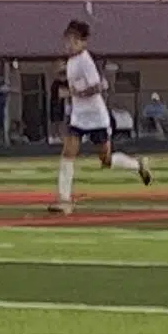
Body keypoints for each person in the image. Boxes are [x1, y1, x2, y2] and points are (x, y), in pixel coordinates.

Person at [51, 19, 151, 214]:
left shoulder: (86, 61)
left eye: (73, 40)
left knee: (105, 160)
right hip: (79, 117)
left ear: (82, 42)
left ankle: (137, 165)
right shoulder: (72, 62)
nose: (68, 44)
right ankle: (64, 200)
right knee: (68, 153)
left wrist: (74, 93)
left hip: (96, 117)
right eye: (67, 40)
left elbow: (98, 87)